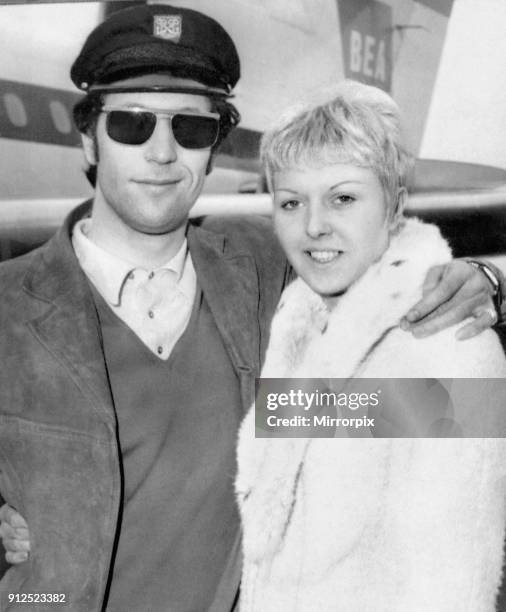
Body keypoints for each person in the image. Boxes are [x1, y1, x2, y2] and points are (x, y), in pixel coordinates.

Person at [0, 5, 502, 611]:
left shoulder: (266, 273)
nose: (162, 153)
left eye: (191, 129)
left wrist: (487, 277)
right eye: (131, 124)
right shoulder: (9, 308)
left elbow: (409, 422)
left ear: (213, 147)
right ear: (88, 135)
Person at [235, 82, 506, 611]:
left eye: (343, 198)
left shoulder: (448, 349)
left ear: (395, 205)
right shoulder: (299, 328)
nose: (314, 226)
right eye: (291, 202)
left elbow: (454, 585)